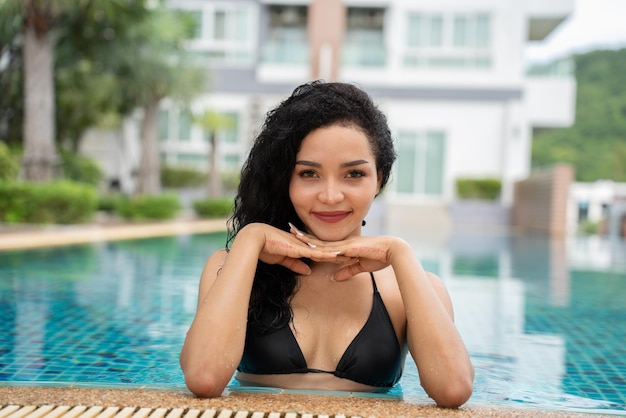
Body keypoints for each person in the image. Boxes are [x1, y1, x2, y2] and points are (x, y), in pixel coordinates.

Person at [179, 81, 474, 408]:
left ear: (380, 178)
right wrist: (251, 239)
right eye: (309, 174)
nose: (331, 196)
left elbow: (453, 389)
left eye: (354, 174)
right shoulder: (232, 268)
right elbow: (204, 378)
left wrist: (400, 253)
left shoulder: (413, 287)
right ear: (284, 179)